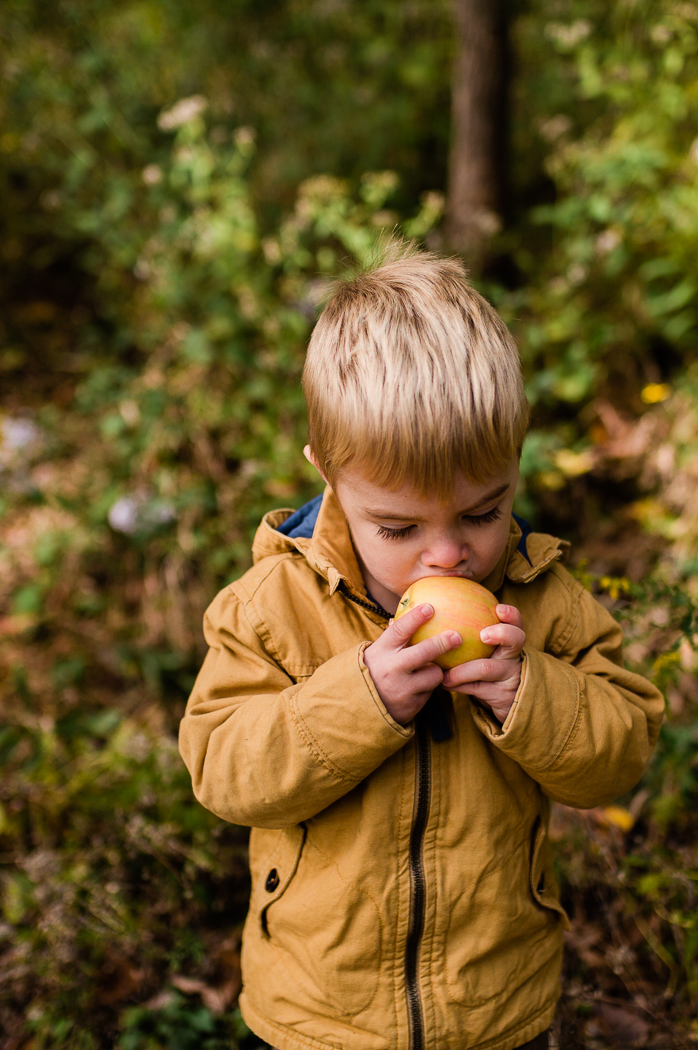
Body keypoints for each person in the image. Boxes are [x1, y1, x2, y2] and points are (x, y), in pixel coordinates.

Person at [177, 239, 664, 1050]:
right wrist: (356, 699)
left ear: (515, 462)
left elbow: (625, 747)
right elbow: (222, 766)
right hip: (320, 1017)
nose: (447, 555)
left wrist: (530, 692)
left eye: (482, 510)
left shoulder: (542, 601)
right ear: (328, 477)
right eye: (398, 527)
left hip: (495, 1010)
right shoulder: (271, 607)